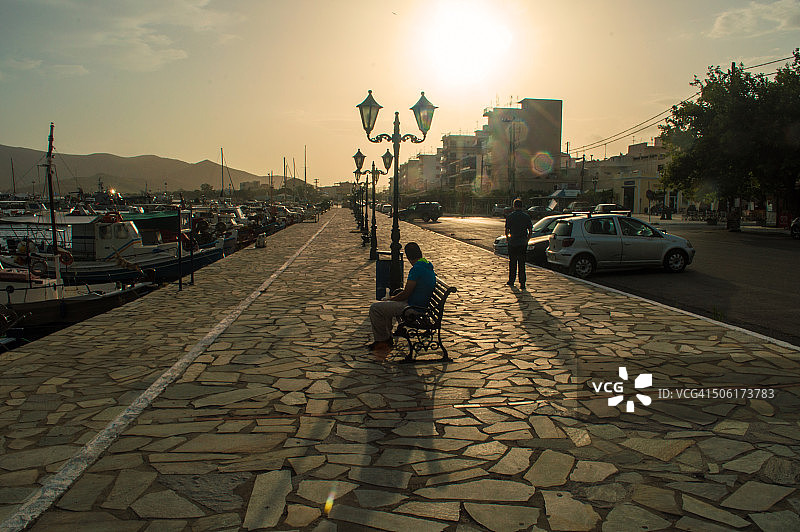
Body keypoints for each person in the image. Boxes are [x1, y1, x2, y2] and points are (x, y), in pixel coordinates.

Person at [368, 242, 436, 354]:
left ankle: (382, 341)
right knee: (385, 307)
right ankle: (386, 338)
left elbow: (406, 293)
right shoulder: (427, 265)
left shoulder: (417, 269)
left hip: (413, 308)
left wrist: (391, 299)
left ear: (408, 256)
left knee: (375, 308)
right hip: (420, 305)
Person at [505, 198, 532, 290]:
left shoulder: (510, 216)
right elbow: (530, 230)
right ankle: (522, 282)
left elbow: (507, 230)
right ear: (522, 206)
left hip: (513, 242)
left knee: (512, 262)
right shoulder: (526, 216)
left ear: (514, 206)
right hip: (522, 243)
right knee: (522, 263)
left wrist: (508, 239)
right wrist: (527, 239)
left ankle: (511, 280)